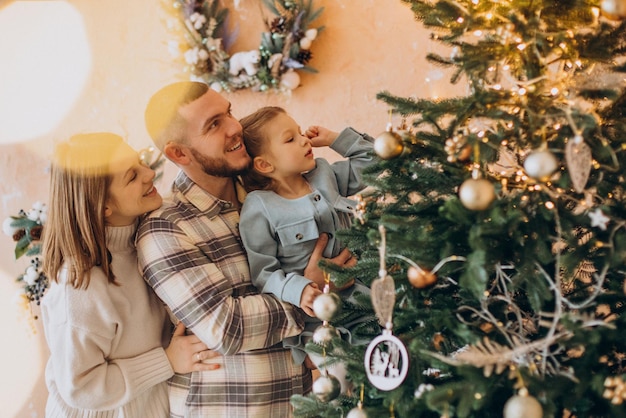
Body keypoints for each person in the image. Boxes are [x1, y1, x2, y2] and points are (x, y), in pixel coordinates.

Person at [137, 81, 356, 417]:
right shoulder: (166, 228)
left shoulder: (275, 188)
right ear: (179, 153)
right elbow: (228, 327)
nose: (234, 127)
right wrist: (313, 294)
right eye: (214, 124)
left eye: (228, 113)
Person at [40, 133, 219, 418]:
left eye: (141, 163)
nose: (150, 174)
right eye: (132, 177)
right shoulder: (79, 287)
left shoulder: (148, 239)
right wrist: (167, 361)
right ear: (104, 206)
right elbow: (79, 387)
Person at [238, 106, 374, 390]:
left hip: (367, 296)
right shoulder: (259, 206)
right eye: (290, 139)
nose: (304, 140)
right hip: (320, 323)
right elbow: (263, 271)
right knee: (345, 389)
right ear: (264, 164)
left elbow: (375, 161)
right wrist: (298, 289)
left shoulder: (325, 175)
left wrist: (336, 138)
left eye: (301, 133)